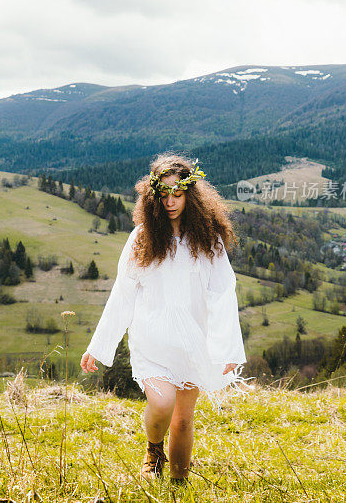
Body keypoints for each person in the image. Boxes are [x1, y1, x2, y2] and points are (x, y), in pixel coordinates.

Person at [80, 153, 251, 485]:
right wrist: (99, 347)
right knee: (161, 402)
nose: (171, 202)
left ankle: (178, 488)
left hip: (191, 343)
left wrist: (228, 348)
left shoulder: (208, 240)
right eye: (164, 194)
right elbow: (123, 293)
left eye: (178, 194)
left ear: (189, 194)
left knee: (184, 422)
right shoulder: (141, 239)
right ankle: (153, 448)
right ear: (153, 196)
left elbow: (223, 291)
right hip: (152, 339)